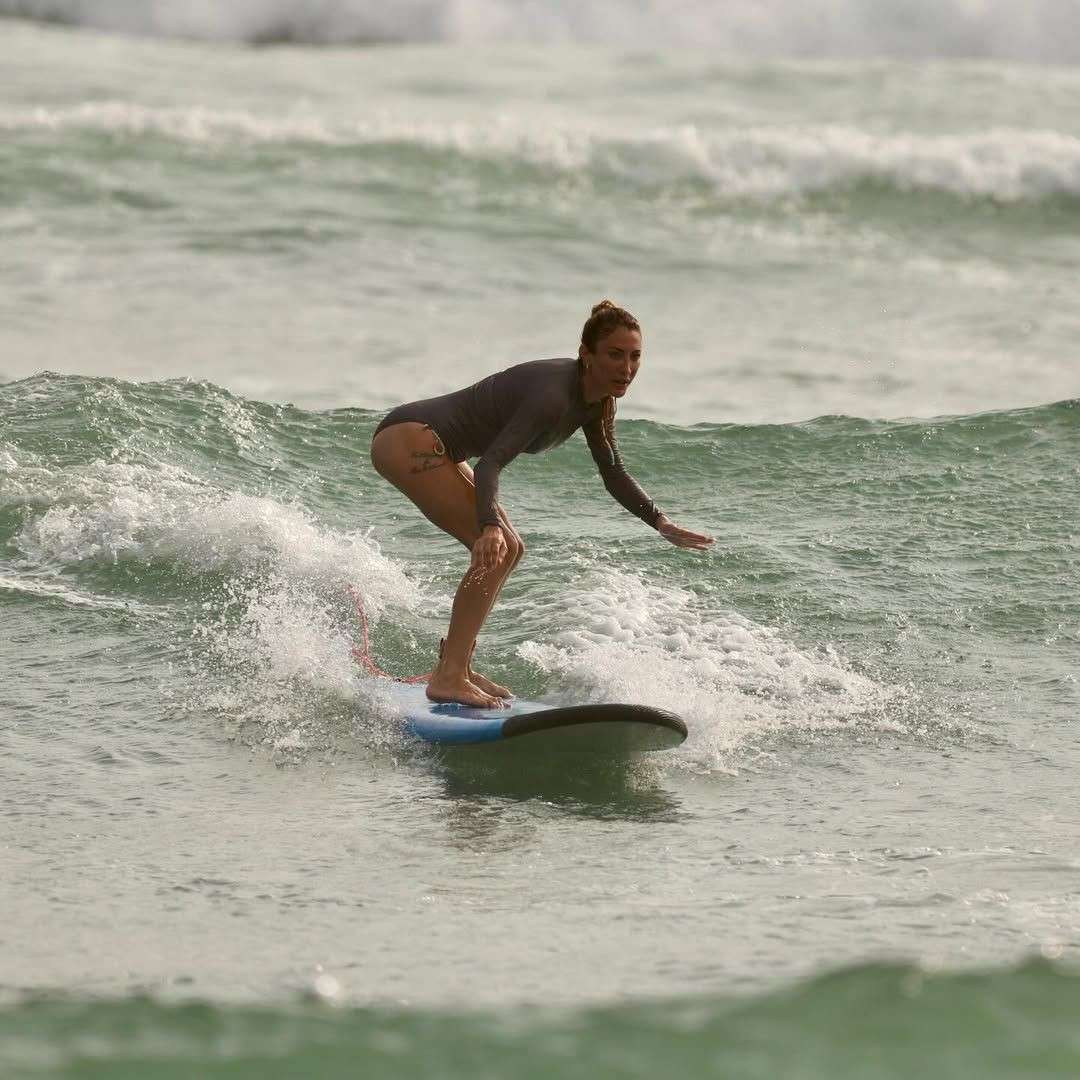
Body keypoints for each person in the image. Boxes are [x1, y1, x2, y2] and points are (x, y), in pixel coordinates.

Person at [369, 300, 714, 707]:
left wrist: (659, 521)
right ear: (587, 355)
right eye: (615, 355)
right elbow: (491, 463)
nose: (626, 368)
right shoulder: (553, 394)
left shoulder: (597, 401)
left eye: (635, 356)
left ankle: (456, 665)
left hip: (435, 445)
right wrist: (488, 525)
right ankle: (448, 676)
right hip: (412, 440)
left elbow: (613, 473)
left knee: (511, 550)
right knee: (496, 549)